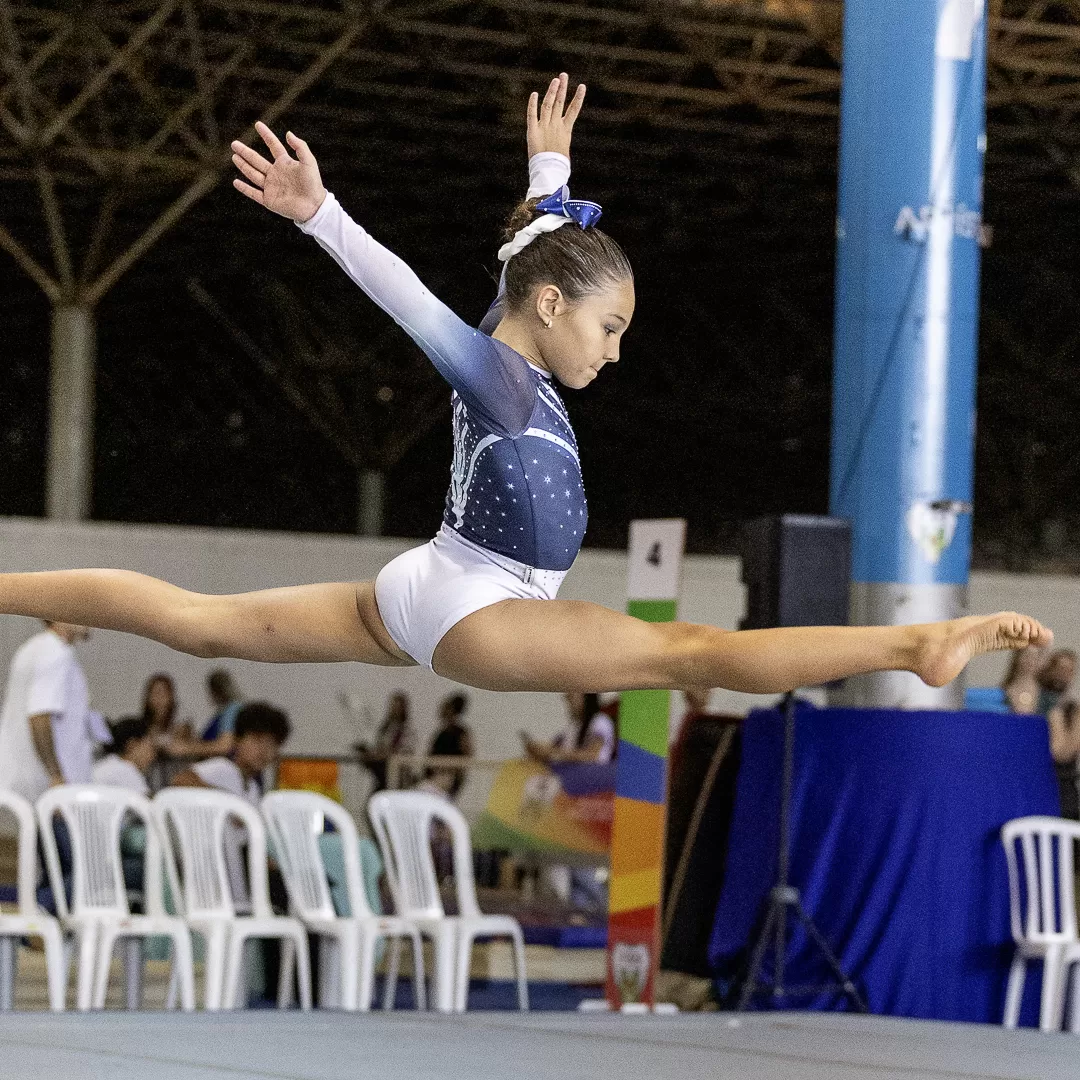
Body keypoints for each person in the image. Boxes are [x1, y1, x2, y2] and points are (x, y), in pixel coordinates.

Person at [0, 77, 1052, 723]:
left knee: (200, 624)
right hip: (480, 603)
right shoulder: (499, 375)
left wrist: (551, 167)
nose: (617, 352)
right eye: (611, 328)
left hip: (432, 585)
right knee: (690, 653)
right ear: (551, 307)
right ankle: (913, 645)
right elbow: (406, 297)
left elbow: (533, 251)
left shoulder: (518, 343)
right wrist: (323, 217)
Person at [0, 621, 110, 800]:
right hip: (47, 790)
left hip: (25, 783)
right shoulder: (55, 652)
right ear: (61, 615)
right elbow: (39, 716)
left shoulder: (35, 648)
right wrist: (56, 776)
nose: (92, 620)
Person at [522, 692, 614, 765]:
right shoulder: (573, 726)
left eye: (571, 697)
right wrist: (540, 750)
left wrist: (553, 752)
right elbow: (555, 745)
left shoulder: (600, 721)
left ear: (586, 697)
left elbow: (593, 756)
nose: (568, 702)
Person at [356, 690, 418, 792]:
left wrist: (385, 753)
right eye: (393, 706)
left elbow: (404, 750)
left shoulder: (407, 729)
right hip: (382, 772)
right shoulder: (386, 728)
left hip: (397, 773)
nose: (394, 710)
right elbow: (380, 744)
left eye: (397, 707)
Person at [92, 716, 157, 795]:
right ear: (132, 745)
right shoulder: (125, 770)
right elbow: (146, 801)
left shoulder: (108, 763)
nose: (154, 754)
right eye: (151, 746)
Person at [427, 693, 473, 799]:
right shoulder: (441, 733)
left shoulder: (461, 732)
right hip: (436, 773)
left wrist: (456, 773)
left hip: (450, 775)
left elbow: (468, 754)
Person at [1002, 646, 1048, 714]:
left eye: (1035, 657)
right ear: (1017, 658)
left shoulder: (1046, 694)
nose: (1030, 661)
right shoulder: (1003, 691)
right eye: (1027, 656)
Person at [1037, 649, 1077, 717]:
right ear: (1052, 669)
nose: (1065, 673)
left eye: (1070, 670)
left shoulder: (1071, 699)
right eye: (1062, 668)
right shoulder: (1038, 694)